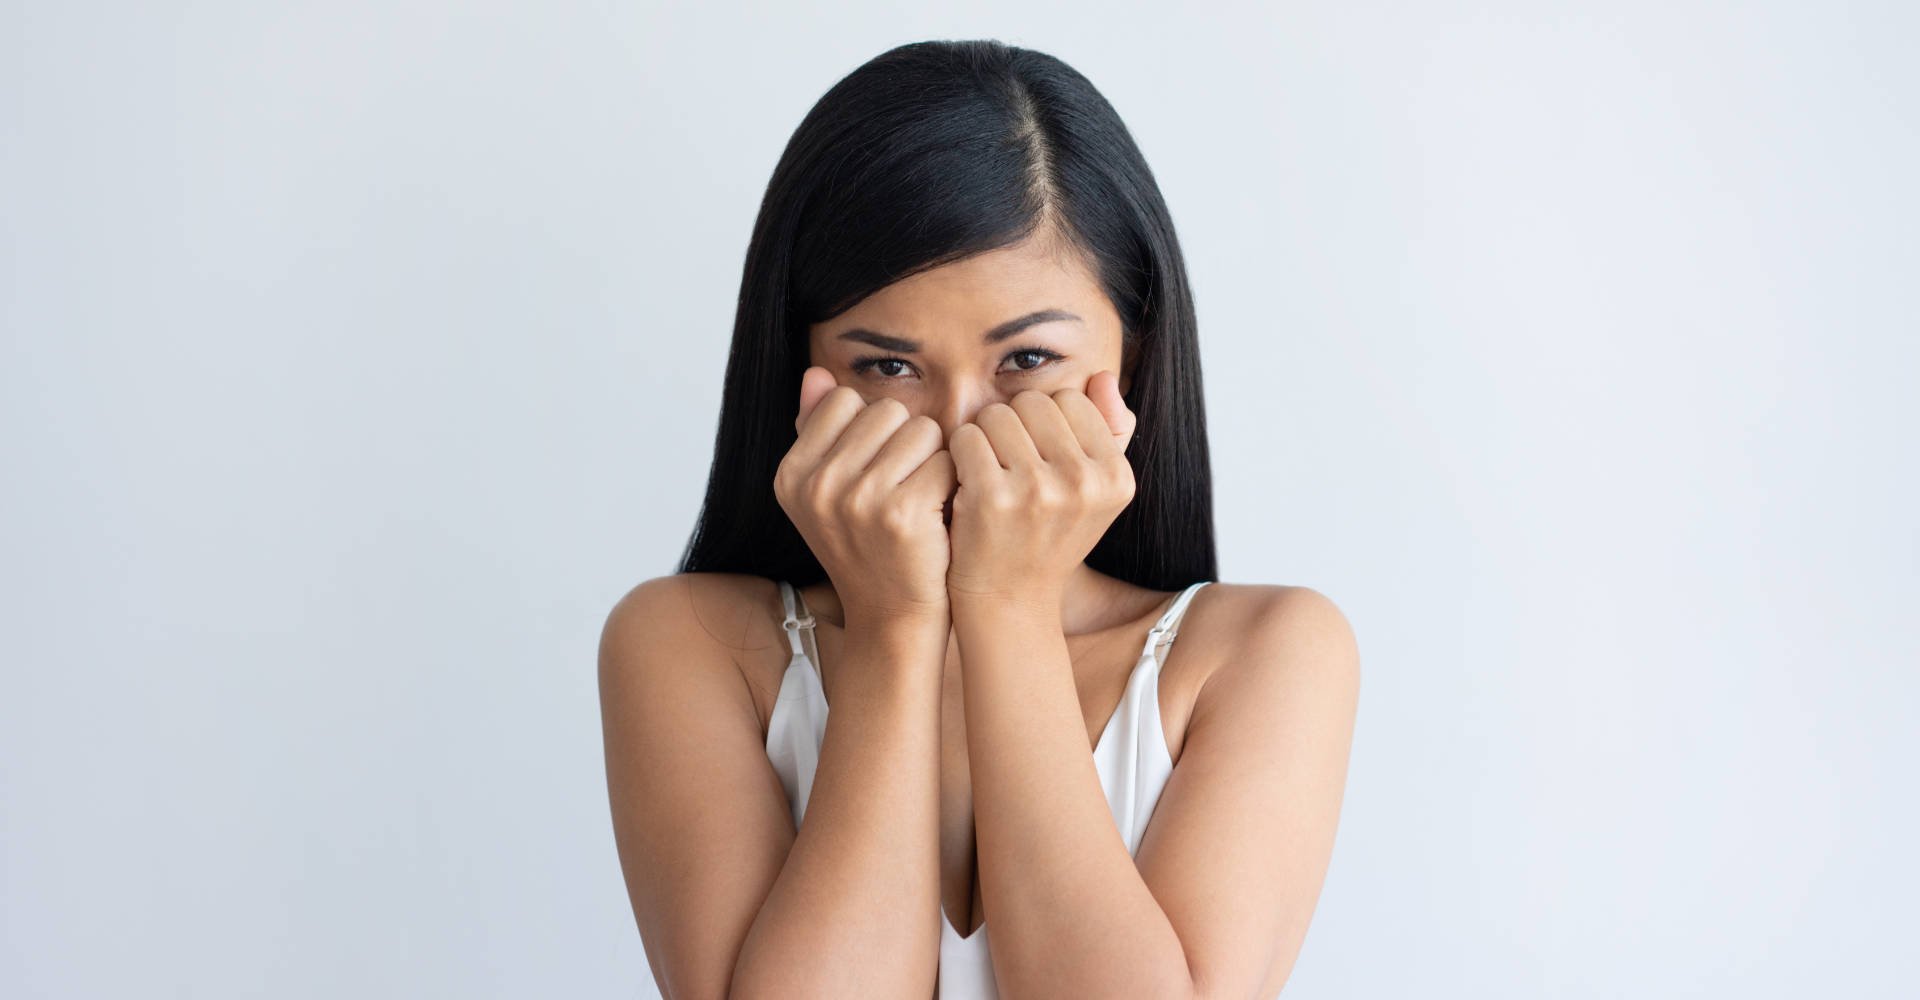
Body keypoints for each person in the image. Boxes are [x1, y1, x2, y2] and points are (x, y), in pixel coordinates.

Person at [598, 39, 1360, 1000]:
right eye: (888, 366)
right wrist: (897, 627)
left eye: (1028, 361)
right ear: (803, 376)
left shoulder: (1266, 653)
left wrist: (1005, 605)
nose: (962, 433)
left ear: (1132, 358)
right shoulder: (689, 642)